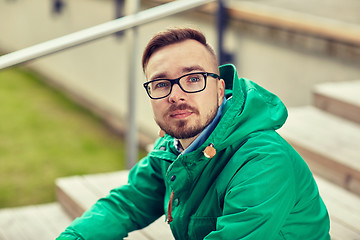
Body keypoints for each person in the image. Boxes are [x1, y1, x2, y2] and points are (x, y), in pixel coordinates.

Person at [57, 27, 330, 240]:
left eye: (193, 79)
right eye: (161, 83)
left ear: (221, 89)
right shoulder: (173, 148)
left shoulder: (264, 161)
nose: (176, 95)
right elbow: (126, 205)